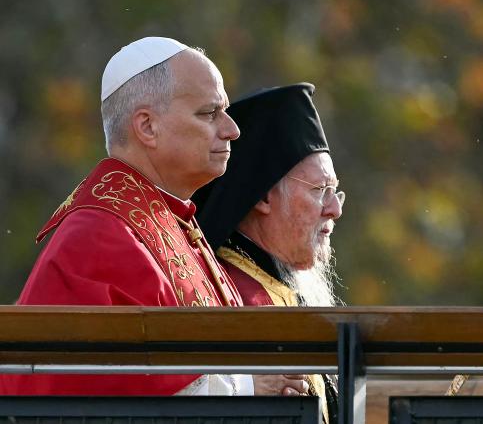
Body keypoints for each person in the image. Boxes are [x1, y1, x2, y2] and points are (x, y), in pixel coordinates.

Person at [0, 37, 307, 398]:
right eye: (209, 113)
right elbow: (97, 387)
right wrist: (245, 386)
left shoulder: (173, 221)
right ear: (147, 126)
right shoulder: (97, 236)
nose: (231, 129)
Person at [192, 83, 344, 423]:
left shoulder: (275, 289)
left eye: (335, 192)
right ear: (262, 198)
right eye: (320, 190)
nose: (334, 209)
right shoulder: (235, 300)